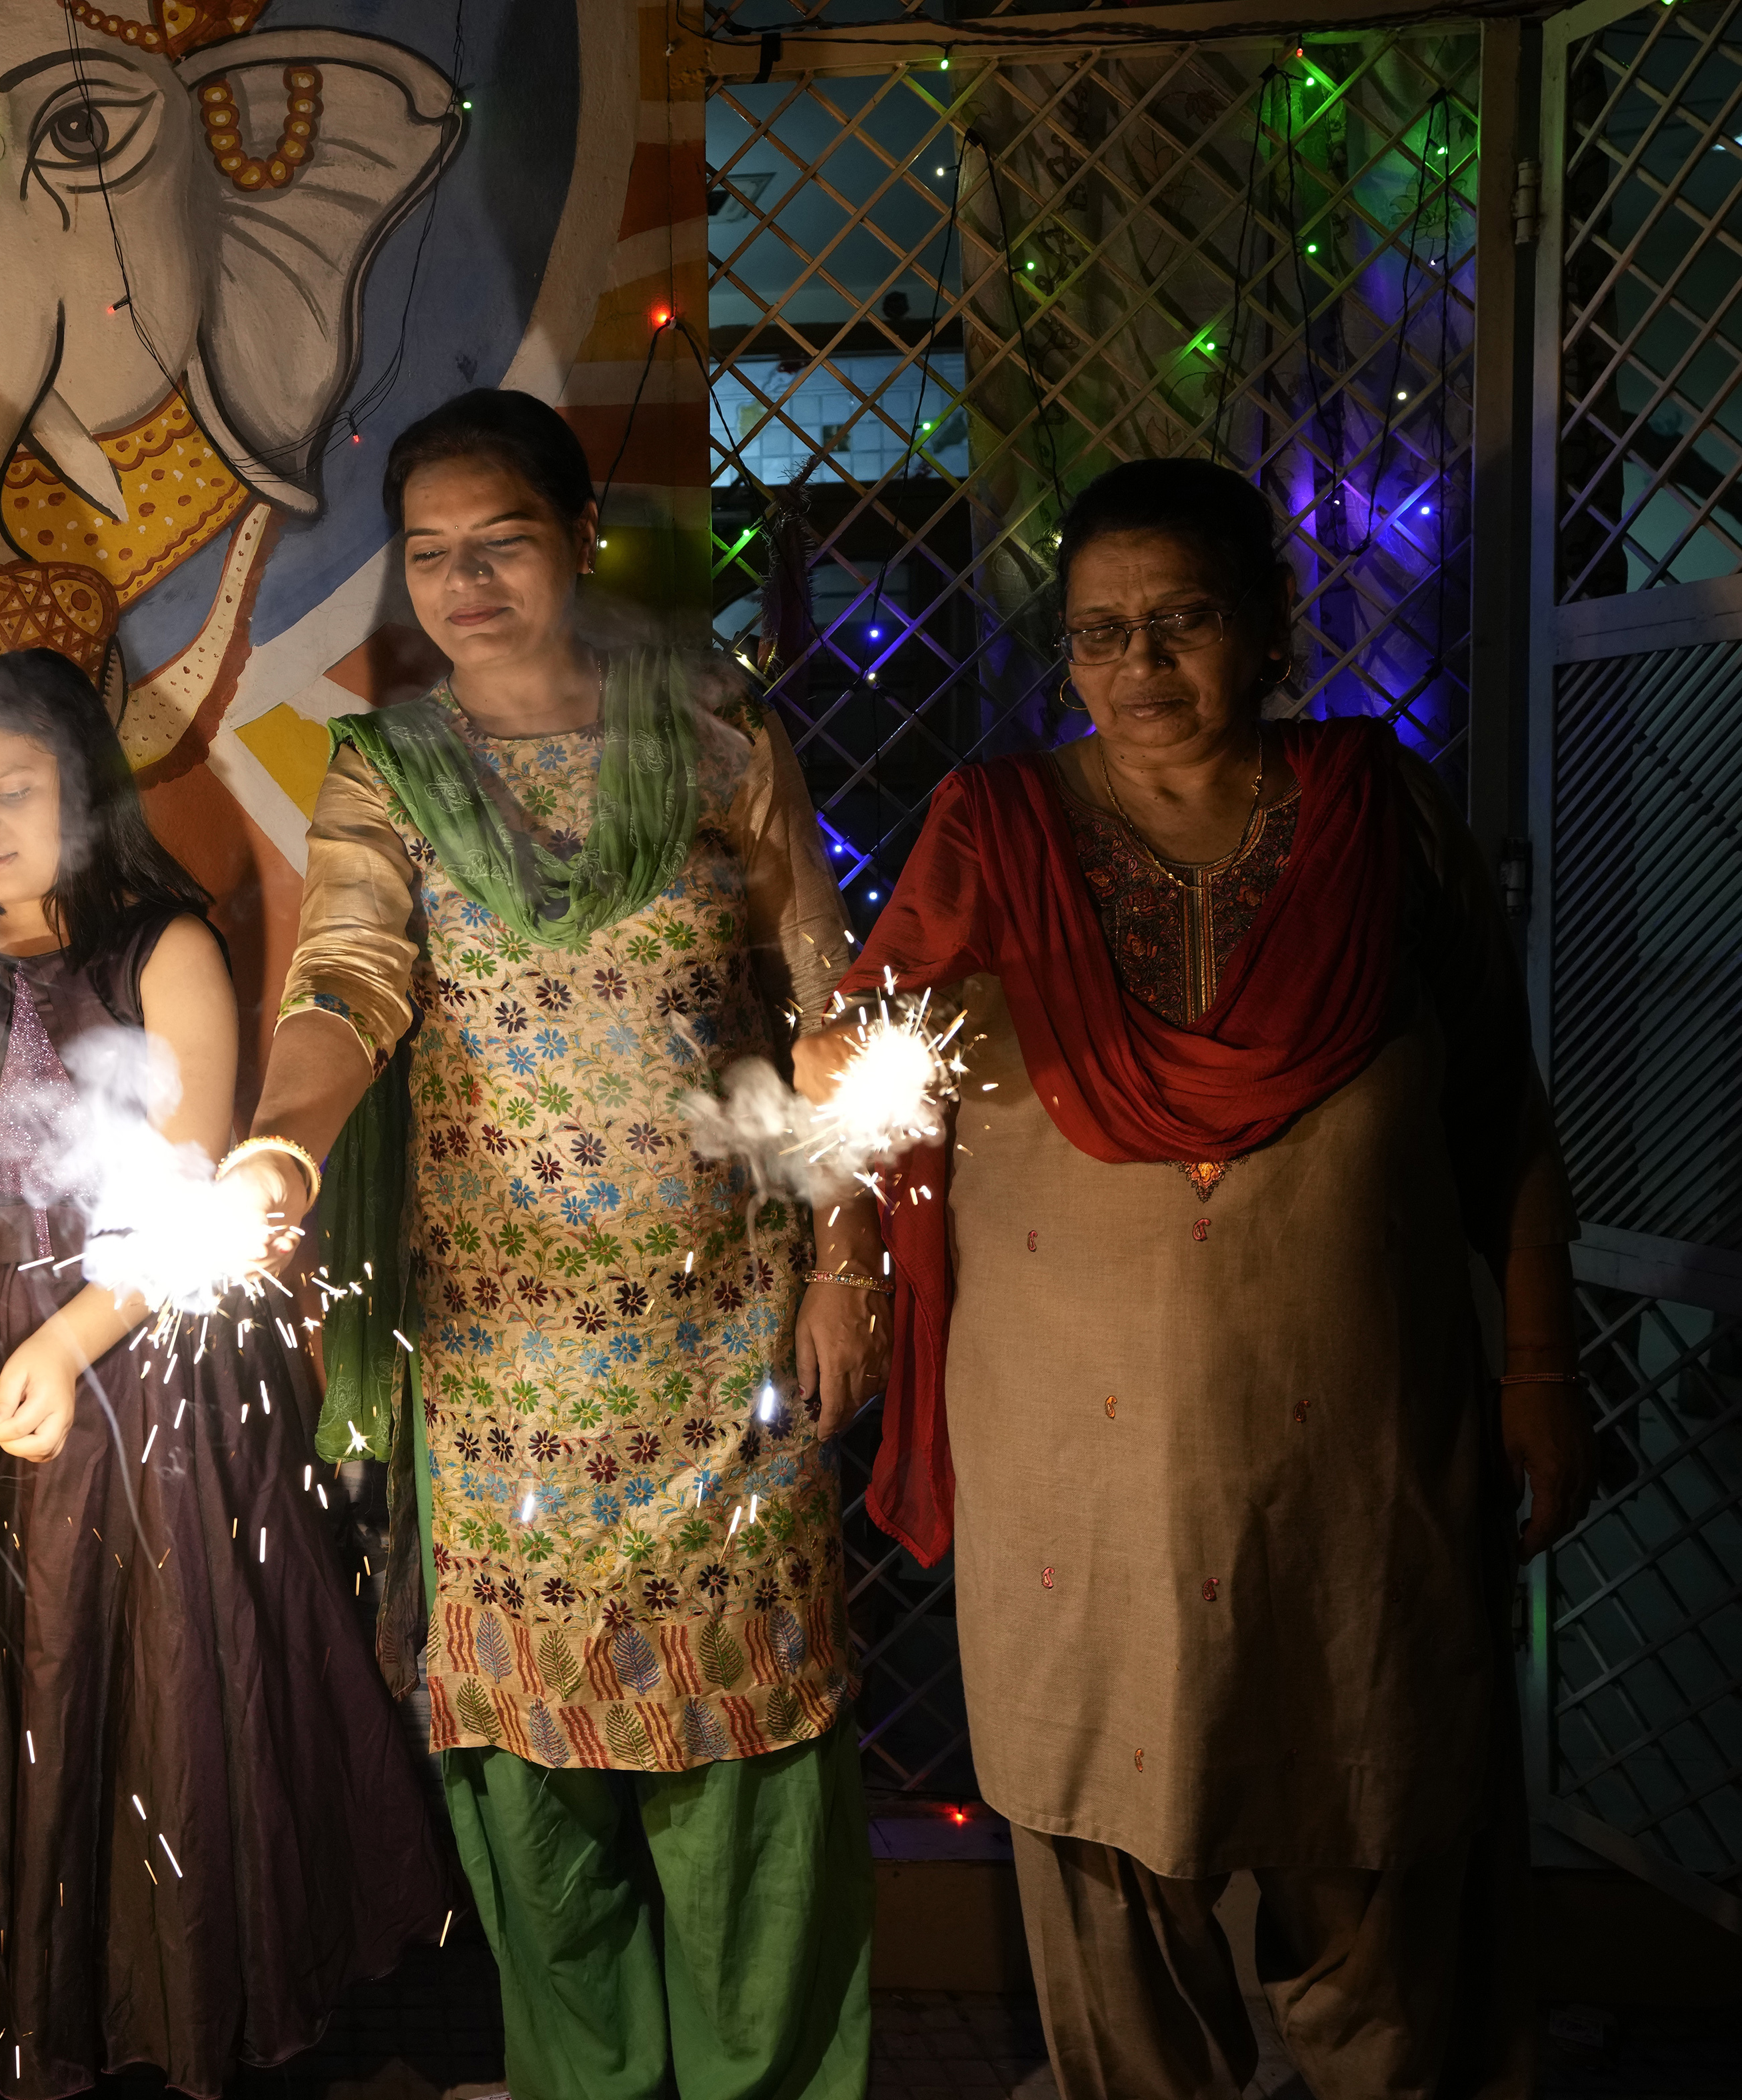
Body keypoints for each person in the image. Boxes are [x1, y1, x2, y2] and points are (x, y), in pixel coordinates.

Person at [840, 455, 1597, 2099]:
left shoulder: (1379, 818)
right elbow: (864, 1103)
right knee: (1109, 1862)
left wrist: (1542, 1369)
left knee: (1385, 1825)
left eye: (1176, 622)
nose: (1136, 668)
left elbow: (1500, 1120)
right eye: (1099, 635)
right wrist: (840, 1160)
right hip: (1077, 1476)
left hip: (1356, 1461)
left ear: (1266, 629)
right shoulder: (995, 831)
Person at [218, 387, 878, 2098]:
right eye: (428, 555)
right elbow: (346, 983)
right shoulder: (390, 773)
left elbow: (834, 1018)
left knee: (750, 1778)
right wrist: (284, 1141)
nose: (463, 583)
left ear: (577, 537)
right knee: (533, 1778)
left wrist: (846, 1260)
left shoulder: (723, 743)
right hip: (505, 1374)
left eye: (499, 542)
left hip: (724, 1343)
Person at [0, 647, 447, 2097]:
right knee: (2, 1696)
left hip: (151, 1368)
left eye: (16, 793)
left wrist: (65, 1336)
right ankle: (31, 2015)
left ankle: (183, 2018)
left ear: (86, 794)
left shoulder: (165, 949)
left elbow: (187, 1202)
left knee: (171, 1692)